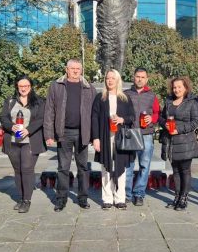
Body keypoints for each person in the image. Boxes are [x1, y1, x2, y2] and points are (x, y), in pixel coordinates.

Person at [44, 59, 97, 212]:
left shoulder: (89, 88)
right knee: (63, 168)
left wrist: (94, 136)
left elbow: (94, 114)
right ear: (66, 69)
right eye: (72, 68)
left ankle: (83, 198)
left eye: (78, 68)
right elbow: (49, 111)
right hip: (64, 133)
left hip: (83, 133)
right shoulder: (56, 86)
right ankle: (61, 199)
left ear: (81, 70)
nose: (75, 71)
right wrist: (49, 134)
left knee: (83, 168)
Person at [0, 75, 46, 213]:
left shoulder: (39, 101)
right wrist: (10, 126)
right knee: (18, 170)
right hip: (13, 141)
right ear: (17, 87)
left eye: (26, 86)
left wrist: (28, 130)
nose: (23, 88)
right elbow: (4, 117)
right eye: (21, 86)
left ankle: (27, 200)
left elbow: (41, 119)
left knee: (27, 169)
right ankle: (20, 198)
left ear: (30, 87)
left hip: (30, 141)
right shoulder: (10, 100)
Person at [92, 69, 136, 209]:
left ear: (118, 80)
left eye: (112, 78)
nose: (109, 81)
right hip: (105, 137)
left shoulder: (125, 98)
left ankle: (120, 198)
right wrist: (96, 138)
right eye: (107, 78)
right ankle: (107, 199)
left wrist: (122, 119)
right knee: (106, 167)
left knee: (120, 168)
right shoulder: (100, 98)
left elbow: (132, 117)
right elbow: (94, 119)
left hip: (120, 138)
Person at [159, 76, 198, 211]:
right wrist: (164, 123)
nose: (176, 89)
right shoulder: (169, 101)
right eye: (174, 87)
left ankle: (184, 198)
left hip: (185, 141)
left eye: (179, 87)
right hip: (171, 142)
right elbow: (161, 117)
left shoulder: (192, 102)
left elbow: (195, 122)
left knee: (185, 170)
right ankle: (176, 197)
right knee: (175, 171)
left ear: (185, 88)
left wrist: (179, 129)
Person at [123, 67, 160, 206]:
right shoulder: (126, 94)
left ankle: (139, 194)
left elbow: (157, 113)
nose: (140, 79)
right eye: (138, 76)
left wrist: (153, 118)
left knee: (145, 166)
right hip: (131, 133)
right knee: (129, 166)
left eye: (143, 77)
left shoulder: (152, 95)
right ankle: (126, 194)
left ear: (146, 79)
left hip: (146, 134)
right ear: (134, 77)